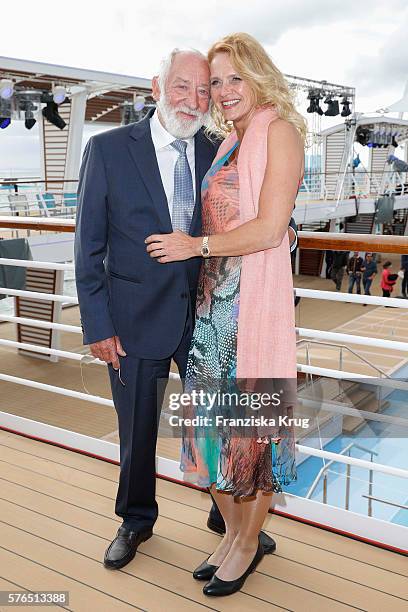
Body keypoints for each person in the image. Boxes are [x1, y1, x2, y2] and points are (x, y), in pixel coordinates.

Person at [74, 47, 298, 572]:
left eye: (205, 89)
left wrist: (282, 230)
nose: (196, 99)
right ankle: (135, 519)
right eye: (184, 87)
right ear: (157, 88)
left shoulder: (220, 147)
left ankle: (235, 525)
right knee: (137, 430)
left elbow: (252, 214)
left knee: (215, 424)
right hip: (132, 320)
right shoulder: (107, 150)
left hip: (210, 317)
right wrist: (98, 324)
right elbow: (87, 246)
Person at [145, 32, 305, 597]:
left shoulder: (278, 132)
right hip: (212, 313)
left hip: (249, 312)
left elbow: (266, 227)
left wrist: (196, 248)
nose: (224, 90)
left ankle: (244, 545)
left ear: (259, 77)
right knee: (212, 434)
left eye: (235, 78)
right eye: (217, 82)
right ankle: (237, 534)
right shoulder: (229, 142)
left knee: (249, 439)